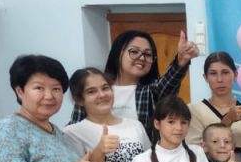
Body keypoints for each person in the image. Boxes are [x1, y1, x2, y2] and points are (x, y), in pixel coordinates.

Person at [69, 29, 199, 143]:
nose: (141, 57)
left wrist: (181, 60)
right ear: (118, 53)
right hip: (96, 159)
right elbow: (75, 131)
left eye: (147, 54)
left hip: (144, 160)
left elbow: (168, 83)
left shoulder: (150, 92)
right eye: (134, 51)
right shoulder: (93, 93)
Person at [186, 52, 241, 162]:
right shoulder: (193, 111)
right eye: (213, 73)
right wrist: (228, 120)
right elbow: (194, 155)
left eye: (225, 72)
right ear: (205, 77)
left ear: (235, 75)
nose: (219, 79)